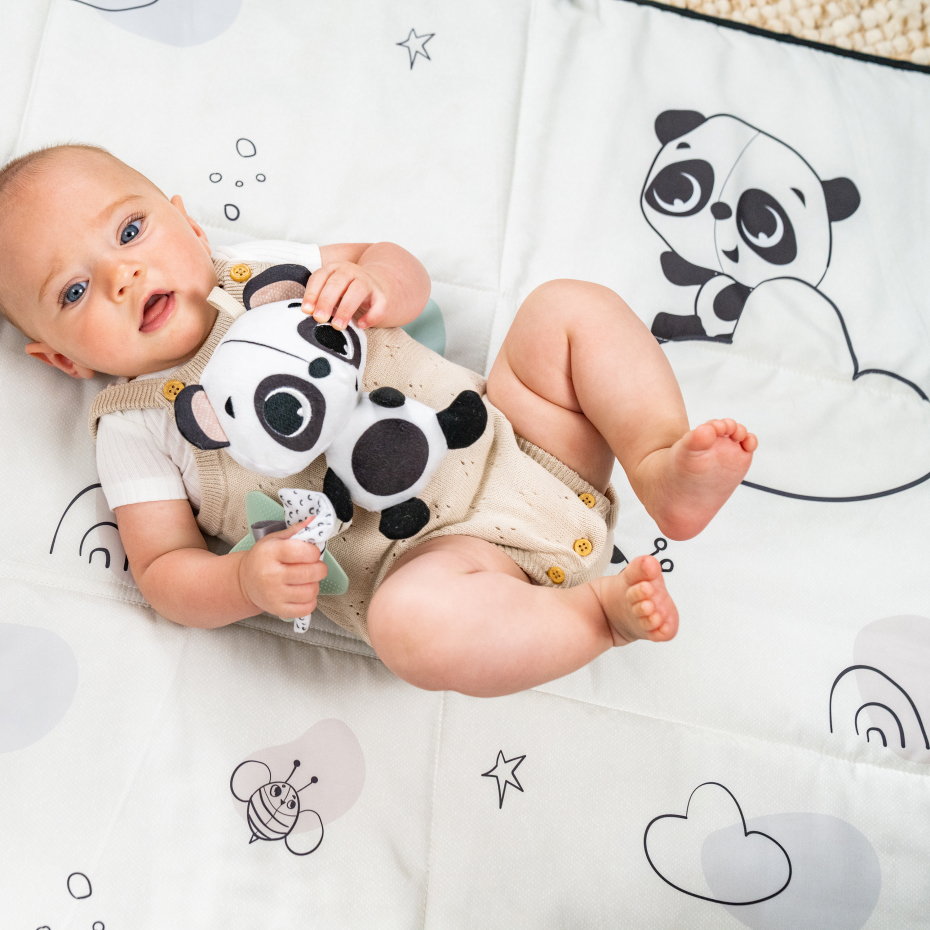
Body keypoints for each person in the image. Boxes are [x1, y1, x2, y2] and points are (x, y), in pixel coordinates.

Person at [0, 144, 757, 697]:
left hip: (522, 438)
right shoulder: (133, 429)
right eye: (73, 292)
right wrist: (242, 579)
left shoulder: (261, 267)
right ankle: (595, 614)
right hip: (446, 568)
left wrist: (375, 282)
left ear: (188, 226)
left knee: (566, 309)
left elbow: (396, 264)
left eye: (129, 232)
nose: (121, 276)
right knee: (409, 630)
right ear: (62, 361)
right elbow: (164, 572)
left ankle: (660, 463)